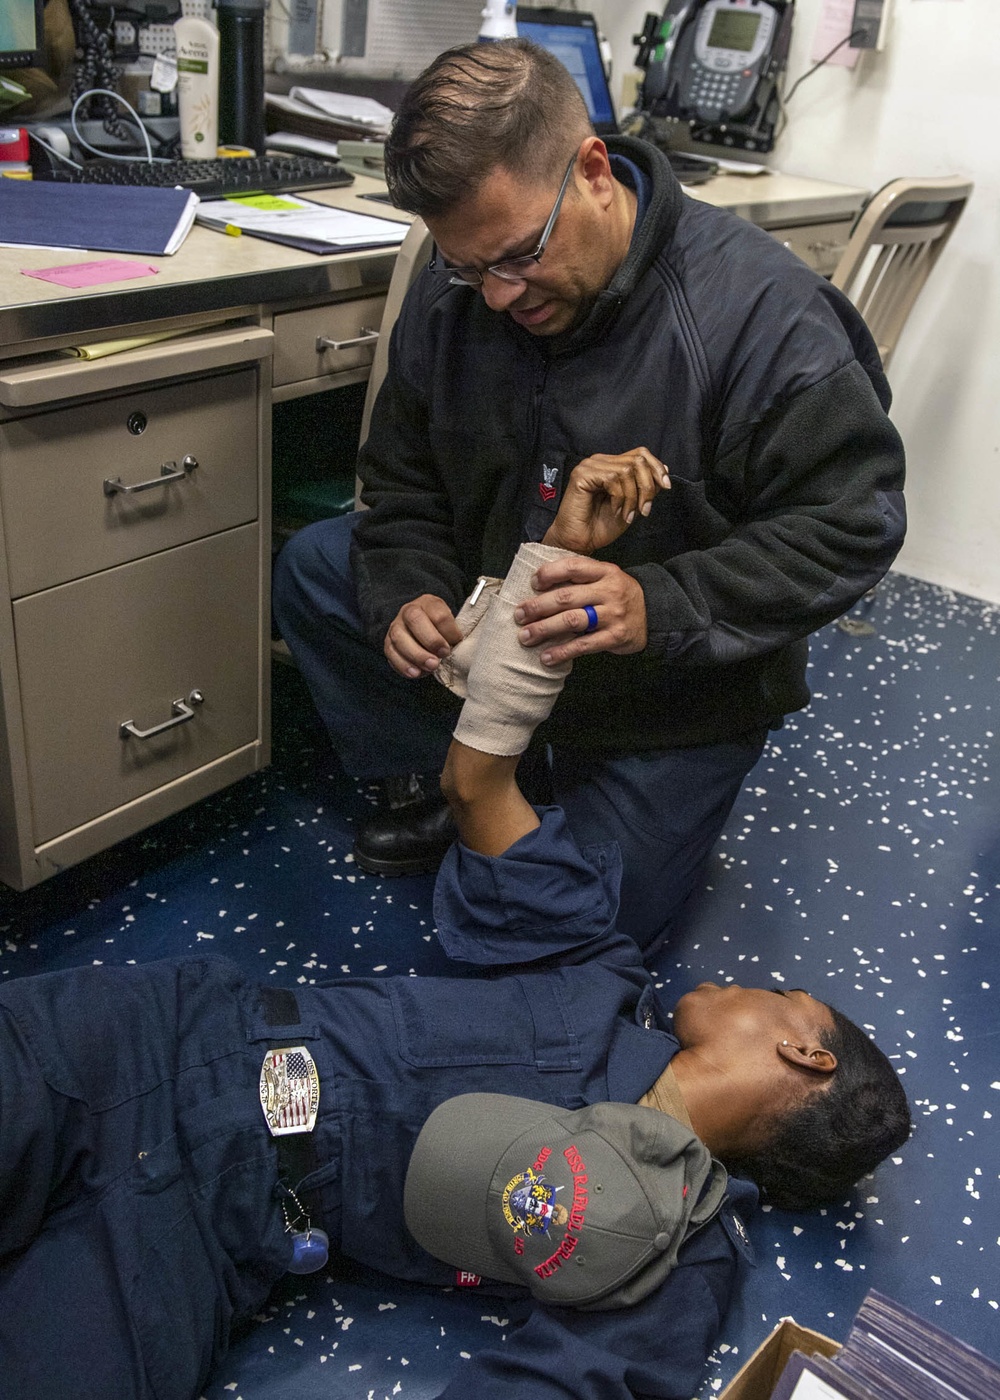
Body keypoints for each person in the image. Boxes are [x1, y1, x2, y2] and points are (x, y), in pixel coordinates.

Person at [0, 572, 911, 1400]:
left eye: (785, 995)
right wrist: (546, 570)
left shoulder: (680, 1247)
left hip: (199, 1234)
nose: (738, 981)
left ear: (805, 1048)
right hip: (150, 1039)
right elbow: (477, 781)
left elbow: (564, 1387)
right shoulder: (597, 965)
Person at [271, 38, 907, 955]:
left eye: (520, 256)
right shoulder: (463, 290)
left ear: (595, 171)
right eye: (468, 268)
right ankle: (444, 775)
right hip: (504, 628)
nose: (495, 296)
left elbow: (853, 525)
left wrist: (663, 602)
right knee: (318, 570)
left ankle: (529, 777)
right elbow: (402, 482)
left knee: (584, 937)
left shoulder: (765, 317)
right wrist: (406, 587)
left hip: (666, 688)